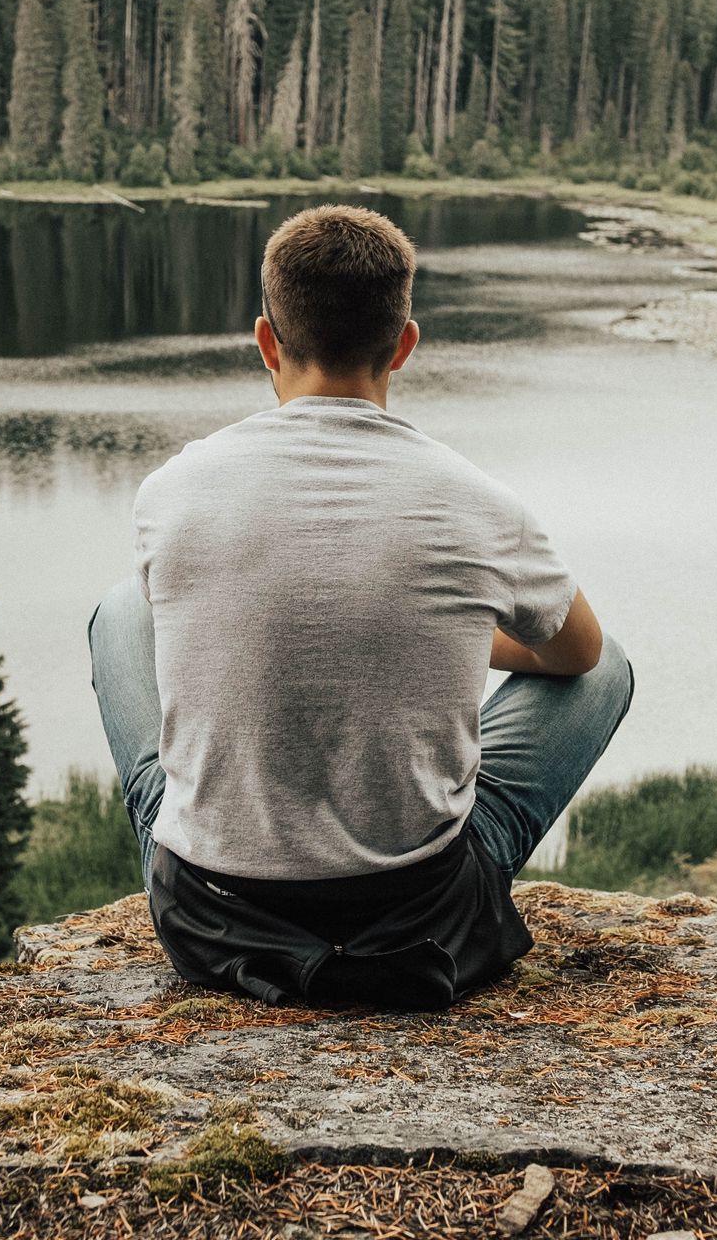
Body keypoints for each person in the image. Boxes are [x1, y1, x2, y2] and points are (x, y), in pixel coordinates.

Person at [87, 204, 633, 1009]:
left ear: (267, 342)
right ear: (404, 345)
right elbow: (579, 657)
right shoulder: (477, 502)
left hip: (210, 918)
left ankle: (208, 848)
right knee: (611, 665)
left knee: (120, 612)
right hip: (421, 921)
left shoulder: (173, 490)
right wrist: (446, 633)